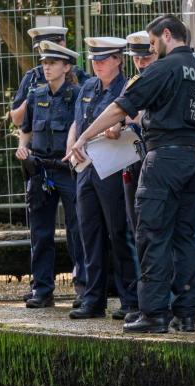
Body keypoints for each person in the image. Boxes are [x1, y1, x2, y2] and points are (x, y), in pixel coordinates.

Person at [69, 15, 195, 333]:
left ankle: (153, 313)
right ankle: (186, 314)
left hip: (162, 158)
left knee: (151, 234)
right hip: (192, 159)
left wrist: (83, 136)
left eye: (151, 43)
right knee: (185, 236)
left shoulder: (163, 68)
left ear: (166, 35)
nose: (150, 49)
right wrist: (191, 158)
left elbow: (120, 107)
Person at [65, 36, 140, 321]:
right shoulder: (87, 87)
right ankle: (93, 298)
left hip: (115, 168)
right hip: (86, 168)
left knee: (119, 233)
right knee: (90, 234)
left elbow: (133, 120)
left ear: (118, 59)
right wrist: (72, 144)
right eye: (94, 59)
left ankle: (130, 299)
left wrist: (120, 125)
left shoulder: (128, 87)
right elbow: (78, 122)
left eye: (103, 59)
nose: (97, 64)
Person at [15, 41, 86, 309]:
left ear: (66, 67)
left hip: (68, 169)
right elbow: (26, 127)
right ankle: (42, 289)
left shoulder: (79, 95)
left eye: (52, 63)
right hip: (40, 169)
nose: (46, 67)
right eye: (44, 63)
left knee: (77, 231)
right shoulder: (35, 94)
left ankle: (83, 288)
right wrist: (22, 148)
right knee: (40, 232)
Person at [10, 26, 88, 128]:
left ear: (62, 45)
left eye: (48, 47)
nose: (43, 52)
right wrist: (33, 97)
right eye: (40, 48)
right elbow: (17, 120)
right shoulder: (33, 77)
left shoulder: (79, 75)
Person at [119, 30, 158, 231]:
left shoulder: (163, 79)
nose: (141, 63)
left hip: (156, 158)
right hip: (132, 158)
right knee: (135, 224)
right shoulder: (131, 83)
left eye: (146, 58)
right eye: (136, 58)